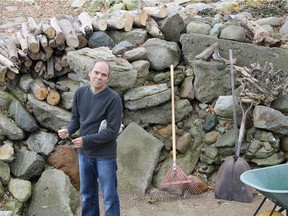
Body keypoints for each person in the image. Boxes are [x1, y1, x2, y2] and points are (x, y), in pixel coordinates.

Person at [58, 60, 123, 216]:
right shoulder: (80, 93)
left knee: (109, 198)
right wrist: (68, 129)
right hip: (84, 155)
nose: (99, 77)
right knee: (87, 196)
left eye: (103, 75)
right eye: (96, 72)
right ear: (89, 73)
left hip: (105, 156)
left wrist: (86, 140)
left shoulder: (114, 99)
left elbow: (112, 131)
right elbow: (76, 119)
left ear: (108, 79)